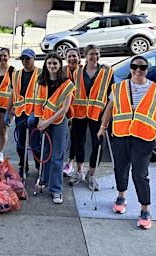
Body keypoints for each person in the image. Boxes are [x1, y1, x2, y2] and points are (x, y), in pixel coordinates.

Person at [97, 56, 156, 229]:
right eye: (135, 66)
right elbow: (110, 108)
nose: (138, 70)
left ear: (147, 69)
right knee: (120, 167)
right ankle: (121, 196)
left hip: (144, 138)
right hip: (121, 134)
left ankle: (145, 209)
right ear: (130, 68)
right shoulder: (118, 87)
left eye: (142, 67)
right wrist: (102, 127)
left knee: (140, 173)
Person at [69, 44, 114, 191]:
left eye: (96, 54)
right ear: (85, 56)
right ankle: (80, 171)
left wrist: (107, 114)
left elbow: (111, 95)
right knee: (79, 142)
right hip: (79, 113)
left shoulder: (107, 72)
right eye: (91, 54)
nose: (94, 57)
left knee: (97, 144)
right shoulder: (76, 73)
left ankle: (91, 174)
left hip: (98, 113)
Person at [33, 53, 75, 204]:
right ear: (46, 65)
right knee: (46, 152)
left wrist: (47, 122)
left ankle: (56, 190)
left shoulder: (67, 84)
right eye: (49, 63)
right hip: (44, 121)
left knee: (57, 156)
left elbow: (64, 109)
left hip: (58, 122)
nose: (52, 66)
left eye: (55, 64)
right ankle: (44, 180)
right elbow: (38, 103)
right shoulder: (41, 81)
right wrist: (40, 120)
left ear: (60, 65)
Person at [5, 48, 41, 178]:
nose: (25, 61)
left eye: (28, 58)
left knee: (35, 145)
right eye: (23, 59)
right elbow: (12, 94)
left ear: (34, 59)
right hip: (20, 113)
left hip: (35, 115)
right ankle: (23, 166)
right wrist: (8, 112)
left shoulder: (41, 74)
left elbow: (44, 95)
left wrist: (37, 113)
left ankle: (39, 166)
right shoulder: (16, 74)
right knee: (21, 145)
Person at [61, 48, 82, 177]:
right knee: (62, 137)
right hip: (64, 108)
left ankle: (70, 162)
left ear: (79, 58)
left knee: (75, 138)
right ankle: (60, 162)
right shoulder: (62, 71)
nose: (72, 59)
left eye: (74, 56)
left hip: (79, 110)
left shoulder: (83, 71)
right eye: (69, 57)